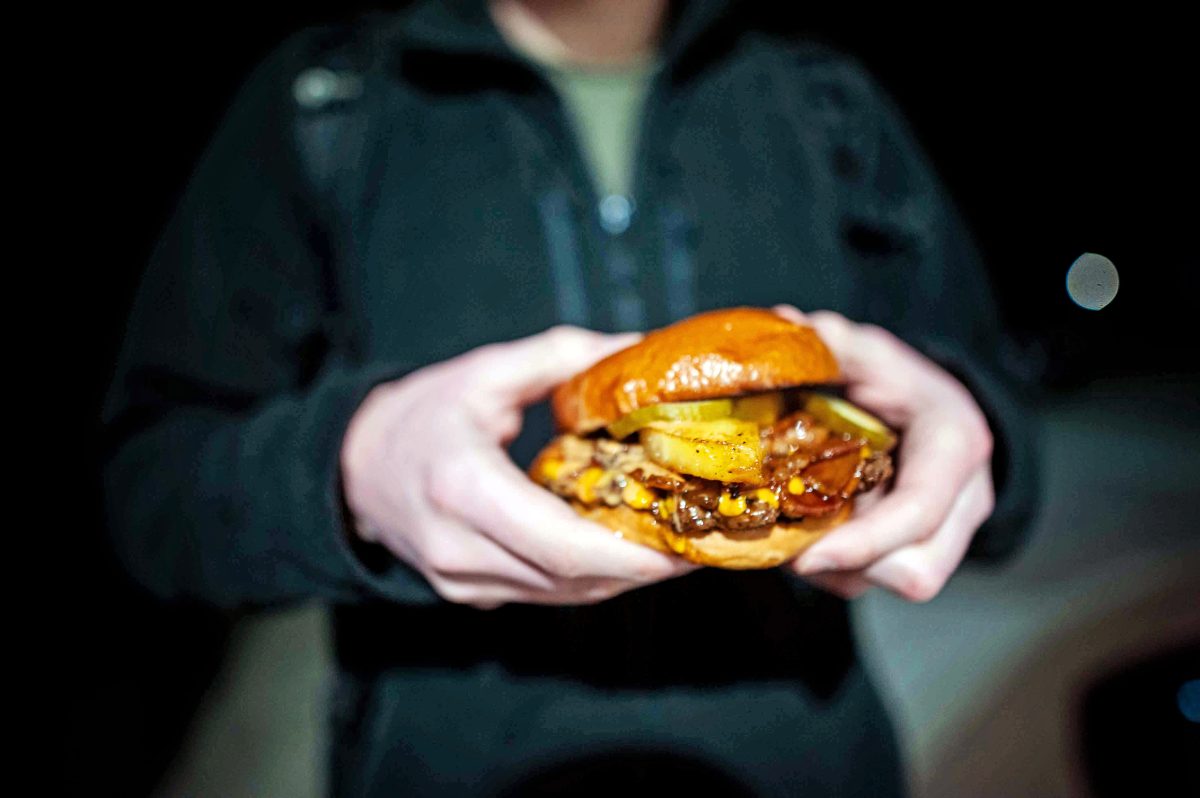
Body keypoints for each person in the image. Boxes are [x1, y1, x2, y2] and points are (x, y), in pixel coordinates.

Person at [102, 0, 1037, 795]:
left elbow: (1003, 434)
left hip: (806, 763)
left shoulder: (829, 102)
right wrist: (347, 467)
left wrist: (967, 433)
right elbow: (147, 492)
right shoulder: (324, 104)